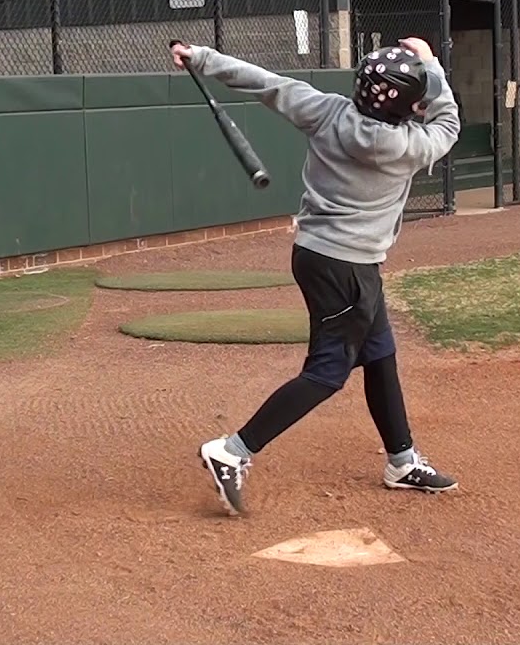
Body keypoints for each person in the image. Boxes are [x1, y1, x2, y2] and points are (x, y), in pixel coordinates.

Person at [170, 37, 462, 516]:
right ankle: (233, 451)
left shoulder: (327, 112)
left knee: (380, 354)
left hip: (318, 255)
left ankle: (402, 461)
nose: (420, 105)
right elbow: (448, 122)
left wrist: (201, 57)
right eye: (415, 101)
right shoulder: (403, 145)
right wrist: (431, 63)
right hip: (347, 268)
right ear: (402, 108)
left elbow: (265, 83)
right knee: (327, 372)